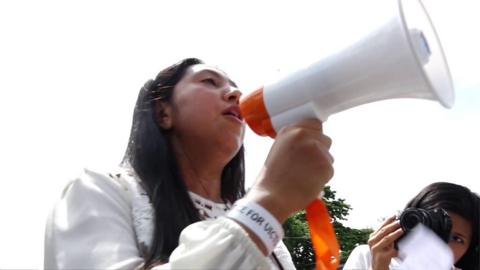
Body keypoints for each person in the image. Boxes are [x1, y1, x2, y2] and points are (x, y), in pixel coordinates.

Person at [44, 58, 335, 269]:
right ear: (162, 113)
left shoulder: (259, 227)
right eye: (209, 81)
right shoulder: (99, 189)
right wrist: (268, 204)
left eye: (236, 88)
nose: (236, 95)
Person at [343, 182, 480, 270]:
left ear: (468, 249)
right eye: (436, 229)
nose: (442, 242)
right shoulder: (367, 256)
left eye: (457, 239)